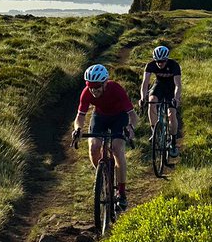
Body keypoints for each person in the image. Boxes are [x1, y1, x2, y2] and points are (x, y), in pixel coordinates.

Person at [71, 63, 138, 210]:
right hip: (100, 117)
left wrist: (130, 127)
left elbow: (132, 115)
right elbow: (80, 116)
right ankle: (102, 175)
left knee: (117, 148)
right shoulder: (86, 92)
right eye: (91, 87)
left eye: (97, 87)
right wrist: (77, 129)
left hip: (118, 118)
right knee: (94, 147)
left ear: (105, 83)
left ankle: (121, 193)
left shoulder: (116, 89)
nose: (94, 91)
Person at [140, 45, 182, 157]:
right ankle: (154, 131)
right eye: (158, 61)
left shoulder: (174, 65)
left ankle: (173, 140)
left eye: (162, 61)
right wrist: (143, 97)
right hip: (159, 86)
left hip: (171, 88)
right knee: (151, 102)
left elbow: (178, 85)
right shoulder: (150, 65)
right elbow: (145, 83)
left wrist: (176, 99)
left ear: (167, 59)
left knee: (171, 114)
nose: (160, 64)